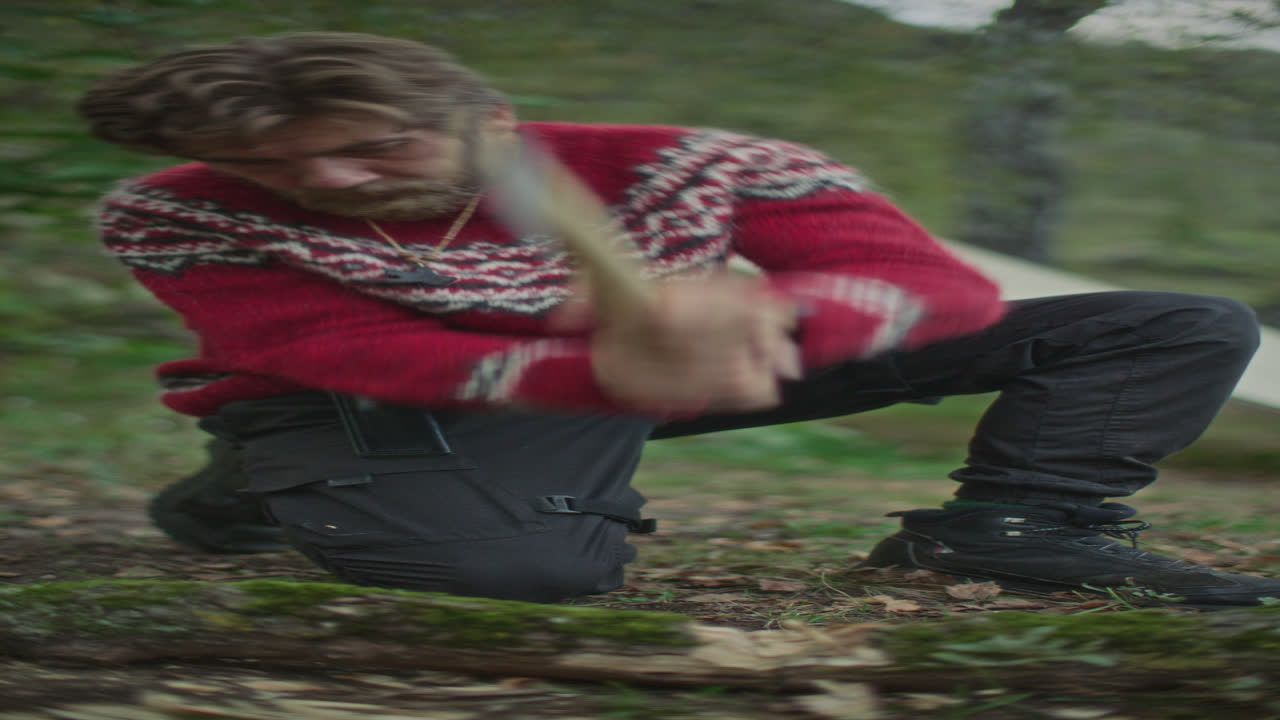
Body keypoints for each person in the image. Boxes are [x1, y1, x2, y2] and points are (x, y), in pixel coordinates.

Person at [76, 32, 1274, 606]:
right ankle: (249, 492)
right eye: (282, 164)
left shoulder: (698, 163)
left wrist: (775, 315)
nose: (331, 181)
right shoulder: (171, 213)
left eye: (372, 147)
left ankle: (1015, 530)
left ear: (489, 118)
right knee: (528, 570)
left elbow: (927, 287)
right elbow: (318, 346)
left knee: (1172, 322)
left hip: (662, 358)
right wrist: (584, 357)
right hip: (372, 397)